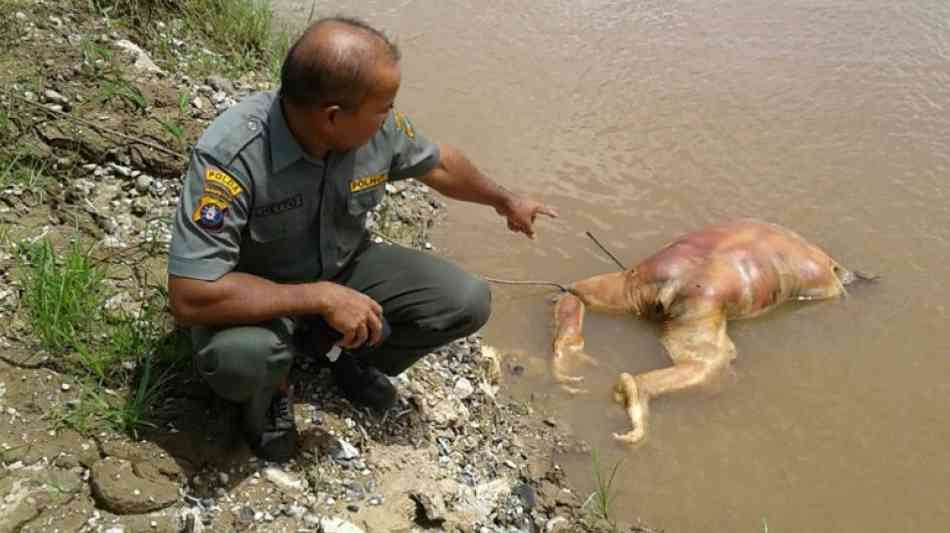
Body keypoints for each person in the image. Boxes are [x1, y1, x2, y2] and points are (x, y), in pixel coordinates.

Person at [166, 16, 557, 462]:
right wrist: (318, 297)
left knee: (465, 300)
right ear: (332, 117)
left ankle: (344, 354)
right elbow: (191, 295)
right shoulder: (232, 157)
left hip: (342, 267)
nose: (391, 116)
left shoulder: (374, 128)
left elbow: (439, 163)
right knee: (243, 358)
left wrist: (505, 200)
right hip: (259, 297)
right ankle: (271, 390)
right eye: (384, 106)